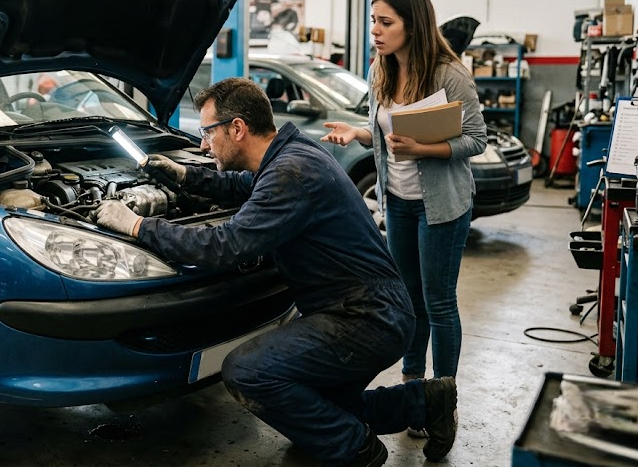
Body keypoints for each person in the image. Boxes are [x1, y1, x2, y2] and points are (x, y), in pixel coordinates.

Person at [93, 77, 458, 466]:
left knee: (247, 371)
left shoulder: (290, 173)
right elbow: (243, 185)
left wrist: (137, 225)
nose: (203, 145)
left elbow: (223, 246)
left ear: (237, 128)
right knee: (319, 408)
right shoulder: (292, 153)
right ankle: (424, 402)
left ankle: (356, 450)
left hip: (367, 318)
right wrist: (185, 176)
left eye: (207, 133)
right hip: (370, 308)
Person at [321, 0, 486, 423]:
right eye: (373, 20)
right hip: (396, 202)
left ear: (412, 26)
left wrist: (424, 149)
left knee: (438, 303)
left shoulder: (449, 75)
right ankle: (415, 389)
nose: (375, 30)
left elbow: (477, 139)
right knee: (408, 300)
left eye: (386, 22)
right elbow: (386, 130)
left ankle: (443, 399)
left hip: (442, 207)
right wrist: (359, 133)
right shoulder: (382, 68)